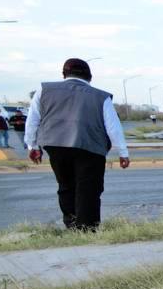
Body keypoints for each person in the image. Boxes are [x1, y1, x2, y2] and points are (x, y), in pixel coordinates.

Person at [24, 58, 131, 230]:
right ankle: (87, 228)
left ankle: (72, 225)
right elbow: (113, 127)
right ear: (90, 77)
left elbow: (32, 120)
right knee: (89, 187)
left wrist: (32, 146)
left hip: (55, 145)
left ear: (64, 74)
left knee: (66, 185)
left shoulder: (44, 90)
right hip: (90, 147)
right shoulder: (101, 97)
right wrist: (123, 152)